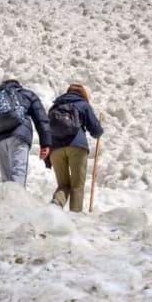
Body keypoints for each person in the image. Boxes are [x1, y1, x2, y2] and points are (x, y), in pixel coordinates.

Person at [0, 79, 51, 186]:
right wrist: (45, 143)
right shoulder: (26, 94)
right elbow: (41, 119)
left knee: (7, 181)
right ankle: (16, 202)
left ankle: (8, 202)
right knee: (18, 175)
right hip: (19, 136)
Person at [48, 84, 103, 212]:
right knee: (77, 185)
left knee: (63, 184)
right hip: (77, 147)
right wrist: (100, 129)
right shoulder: (83, 105)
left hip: (56, 150)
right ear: (83, 94)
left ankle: (56, 203)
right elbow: (95, 130)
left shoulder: (54, 107)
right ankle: (75, 215)